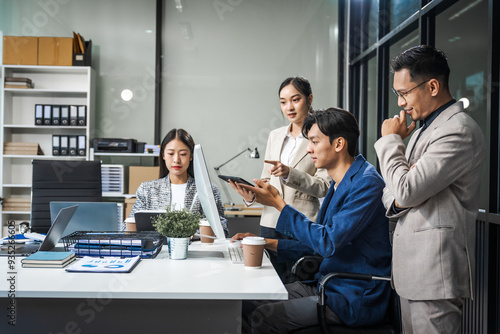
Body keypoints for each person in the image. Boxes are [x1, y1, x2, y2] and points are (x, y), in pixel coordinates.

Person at [232, 108, 392, 333]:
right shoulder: (338, 183)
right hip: (326, 286)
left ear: (339, 144)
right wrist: (265, 242)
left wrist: (280, 204)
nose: (309, 149)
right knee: (244, 303)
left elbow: (327, 242)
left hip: (352, 296)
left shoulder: (366, 183)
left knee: (261, 317)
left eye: (315, 142)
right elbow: (318, 244)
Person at [374, 45, 486, 333]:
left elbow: (406, 189)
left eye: (404, 93)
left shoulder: (458, 130)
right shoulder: (421, 130)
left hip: (434, 275)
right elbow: (394, 189)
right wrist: (400, 193)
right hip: (412, 272)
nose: (400, 103)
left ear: (433, 86)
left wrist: (389, 143)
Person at [231, 76, 331, 283]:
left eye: (295, 100)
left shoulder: (321, 135)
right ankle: (268, 315)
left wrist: (289, 173)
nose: (289, 107)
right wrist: (251, 195)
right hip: (271, 221)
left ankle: (292, 315)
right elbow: (267, 179)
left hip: (302, 222)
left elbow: (324, 187)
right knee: (268, 280)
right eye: (283, 102)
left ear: (309, 99)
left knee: (298, 282)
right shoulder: (275, 136)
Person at [130, 128, 228, 237]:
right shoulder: (146, 189)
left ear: (191, 156)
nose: (176, 160)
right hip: (156, 252)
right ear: (163, 155)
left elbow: (222, 229)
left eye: (183, 154)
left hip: (196, 251)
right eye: (171, 153)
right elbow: (128, 227)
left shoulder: (208, 190)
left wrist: (194, 235)